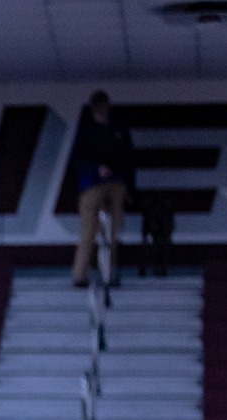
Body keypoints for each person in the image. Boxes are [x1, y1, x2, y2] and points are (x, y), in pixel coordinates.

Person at [71, 91, 134, 288]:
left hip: (116, 184)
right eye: (98, 105)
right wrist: (96, 168)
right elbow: (77, 159)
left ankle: (109, 273)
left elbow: (129, 158)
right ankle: (80, 274)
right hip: (92, 184)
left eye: (104, 104)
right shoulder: (86, 130)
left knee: (112, 233)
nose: (102, 109)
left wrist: (130, 188)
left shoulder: (118, 128)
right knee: (89, 231)